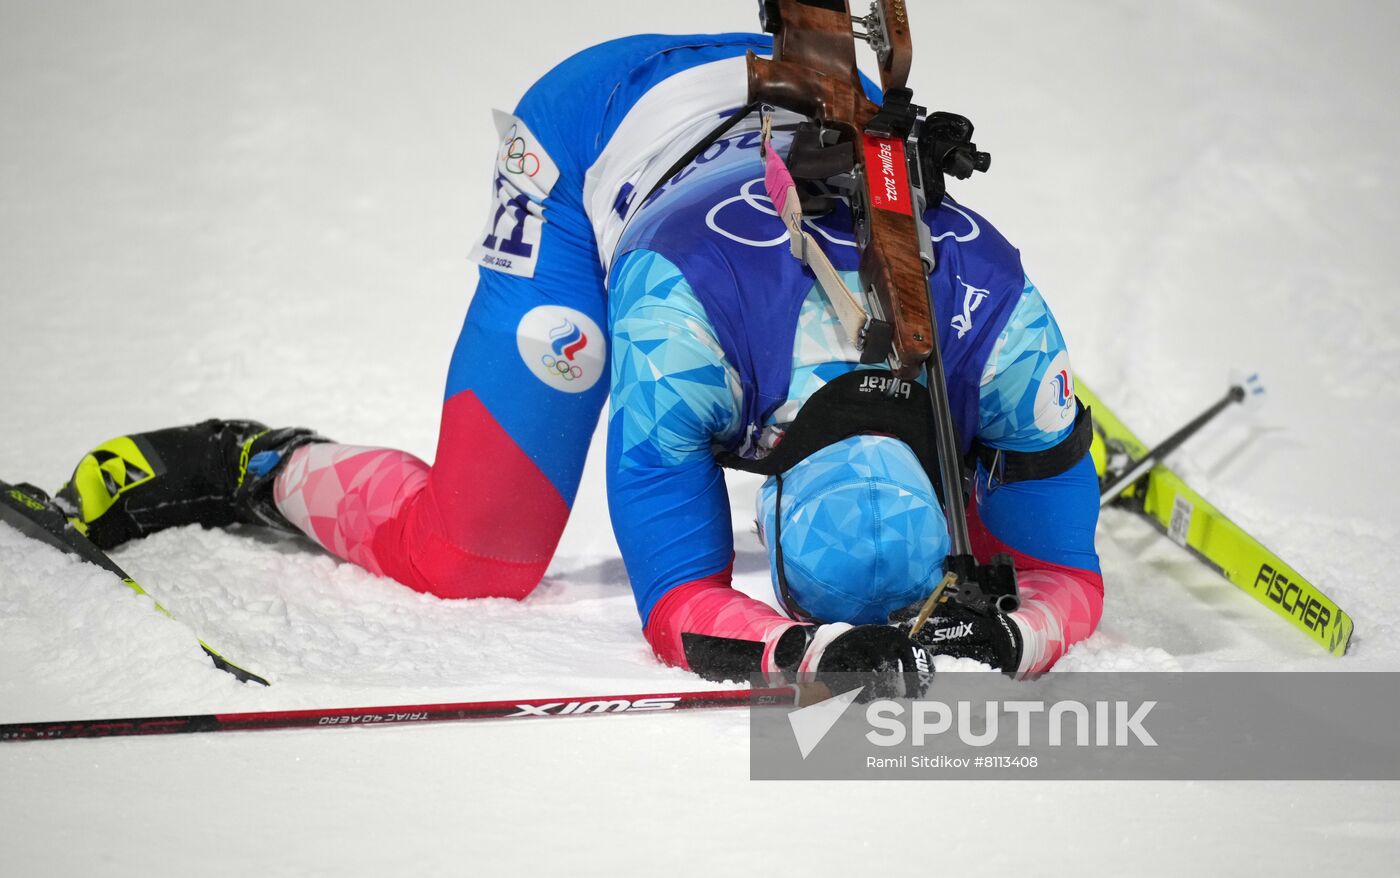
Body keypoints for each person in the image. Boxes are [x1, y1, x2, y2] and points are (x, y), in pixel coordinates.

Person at [56, 31, 1102, 684]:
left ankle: (1022, 449)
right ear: (763, 495)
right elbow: (675, 603)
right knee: (473, 555)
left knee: (1017, 503)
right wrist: (801, 648)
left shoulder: (1005, 325)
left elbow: (1062, 581)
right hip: (601, 130)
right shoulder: (674, 335)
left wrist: (1015, 631)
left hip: (813, 105)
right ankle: (255, 459)